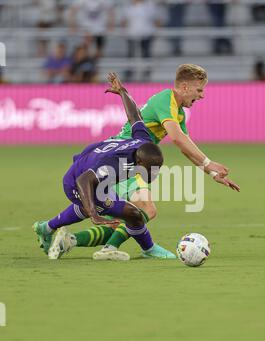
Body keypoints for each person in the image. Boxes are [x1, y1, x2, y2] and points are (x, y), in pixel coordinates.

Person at [54, 64, 240, 261]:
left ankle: (64, 237)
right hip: (123, 159)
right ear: (185, 87)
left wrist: (211, 173)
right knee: (144, 210)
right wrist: (209, 163)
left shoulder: (179, 112)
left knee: (123, 219)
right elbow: (177, 138)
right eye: (199, 90)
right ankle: (117, 248)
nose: (201, 96)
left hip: (133, 159)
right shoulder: (166, 99)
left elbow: (185, 145)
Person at [33, 72, 174, 261]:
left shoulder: (143, 139)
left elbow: (134, 116)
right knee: (131, 213)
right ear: (139, 162)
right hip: (76, 182)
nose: (154, 174)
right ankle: (148, 249)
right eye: (150, 169)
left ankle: (47, 227)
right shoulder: (116, 165)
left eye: (157, 168)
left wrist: (123, 92)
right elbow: (84, 180)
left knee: (117, 209)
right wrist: (93, 214)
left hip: (89, 165)